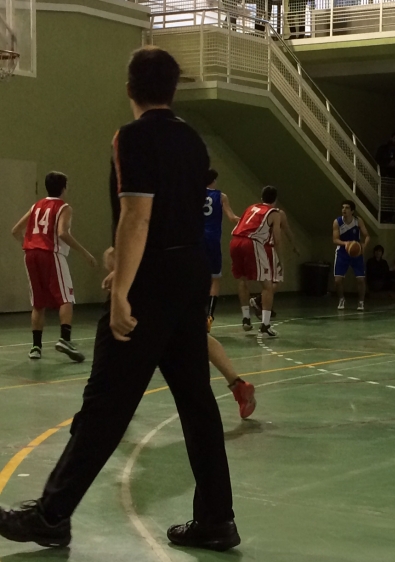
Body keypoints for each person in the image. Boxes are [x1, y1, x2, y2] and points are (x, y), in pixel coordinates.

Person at [0, 47, 240, 551]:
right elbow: (171, 217)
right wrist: (122, 256)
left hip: (152, 284)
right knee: (197, 403)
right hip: (189, 276)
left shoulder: (131, 137)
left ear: (129, 87)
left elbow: (138, 216)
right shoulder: (193, 140)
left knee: (105, 404)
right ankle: (217, 519)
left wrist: (122, 289)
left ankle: (51, 515)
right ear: (172, 89)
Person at [102, 248, 256, 420]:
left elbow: (152, 242)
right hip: (182, 269)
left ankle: (117, 399)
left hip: (174, 269)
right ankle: (237, 385)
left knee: (169, 337)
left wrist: (125, 271)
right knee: (191, 333)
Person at [10, 172, 97, 362]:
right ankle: (65, 339)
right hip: (51, 253)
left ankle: (36, 347)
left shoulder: (36, 206)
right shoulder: (64, 207)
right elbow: (62, 233)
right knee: (67, 297)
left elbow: (15, 230)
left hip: (30, 255)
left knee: (38, 302)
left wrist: (29, 244)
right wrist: (85, 253)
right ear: (64, 188)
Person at [231, 185, 290, 337]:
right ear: (275, 199)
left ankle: (246, 318)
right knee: (268, 285)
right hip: (251, 243)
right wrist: (281, 259)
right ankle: (265, 325)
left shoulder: (251, 207)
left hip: (235, 241)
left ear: (261, 197)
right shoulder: (274, 213)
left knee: (243, 280)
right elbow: (277, 238)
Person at [203, 168, 240, 332]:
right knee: (215, 279)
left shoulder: (194, 194)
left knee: (194, 277)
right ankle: (209, 315)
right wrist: (247, 221)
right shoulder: (221, 196)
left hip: (195, 239)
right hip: (212, 239)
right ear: (213, 181)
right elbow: (232, 217)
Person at [333, 199, 370, 311]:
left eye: (347, 208)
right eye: (343, 207)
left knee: (360, 280)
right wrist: (346, 244)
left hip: (356, 252)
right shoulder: (337, 222)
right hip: (342, 252)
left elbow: (367, 236)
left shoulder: (358, 221)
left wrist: (363, 246)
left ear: (352, 211)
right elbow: (335, 239)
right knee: (337, 280)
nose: (344, 210)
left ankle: (361, 302)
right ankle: (341, 299)